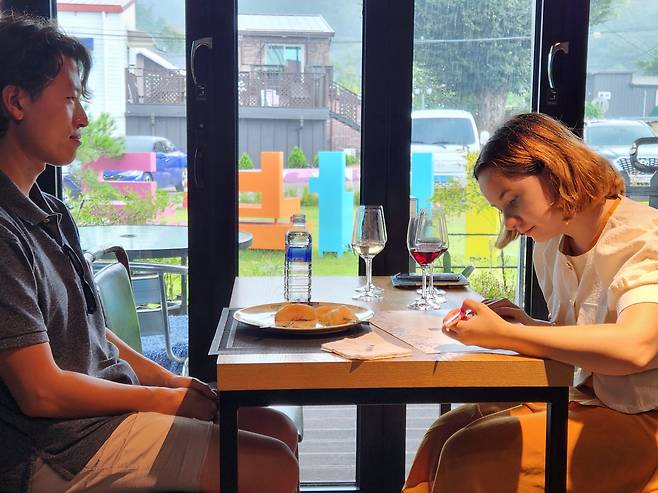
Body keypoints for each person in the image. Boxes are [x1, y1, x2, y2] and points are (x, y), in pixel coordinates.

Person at [0, 13, 298, 493]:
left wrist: (167, 382)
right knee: (272, 465)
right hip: (61, 448)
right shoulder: (4, 233)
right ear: (16, 101)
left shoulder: (50, 210)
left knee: (276, 429)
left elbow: (93, 334)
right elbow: (40, 392)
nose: (83, 118)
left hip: (103, 419)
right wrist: (161, 401)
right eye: (70, 99)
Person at [404, 112, 658, 493]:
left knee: (467, 452)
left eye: (512, 200)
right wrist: (527, 325)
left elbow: (637, 348)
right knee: (444, 432)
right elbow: (587, 340)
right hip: (584, 399)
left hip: (644, 419)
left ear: (555, 171)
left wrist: (508, 336)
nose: (508, 222)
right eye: (500, 209)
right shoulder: (553, 243)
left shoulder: (642, 239)